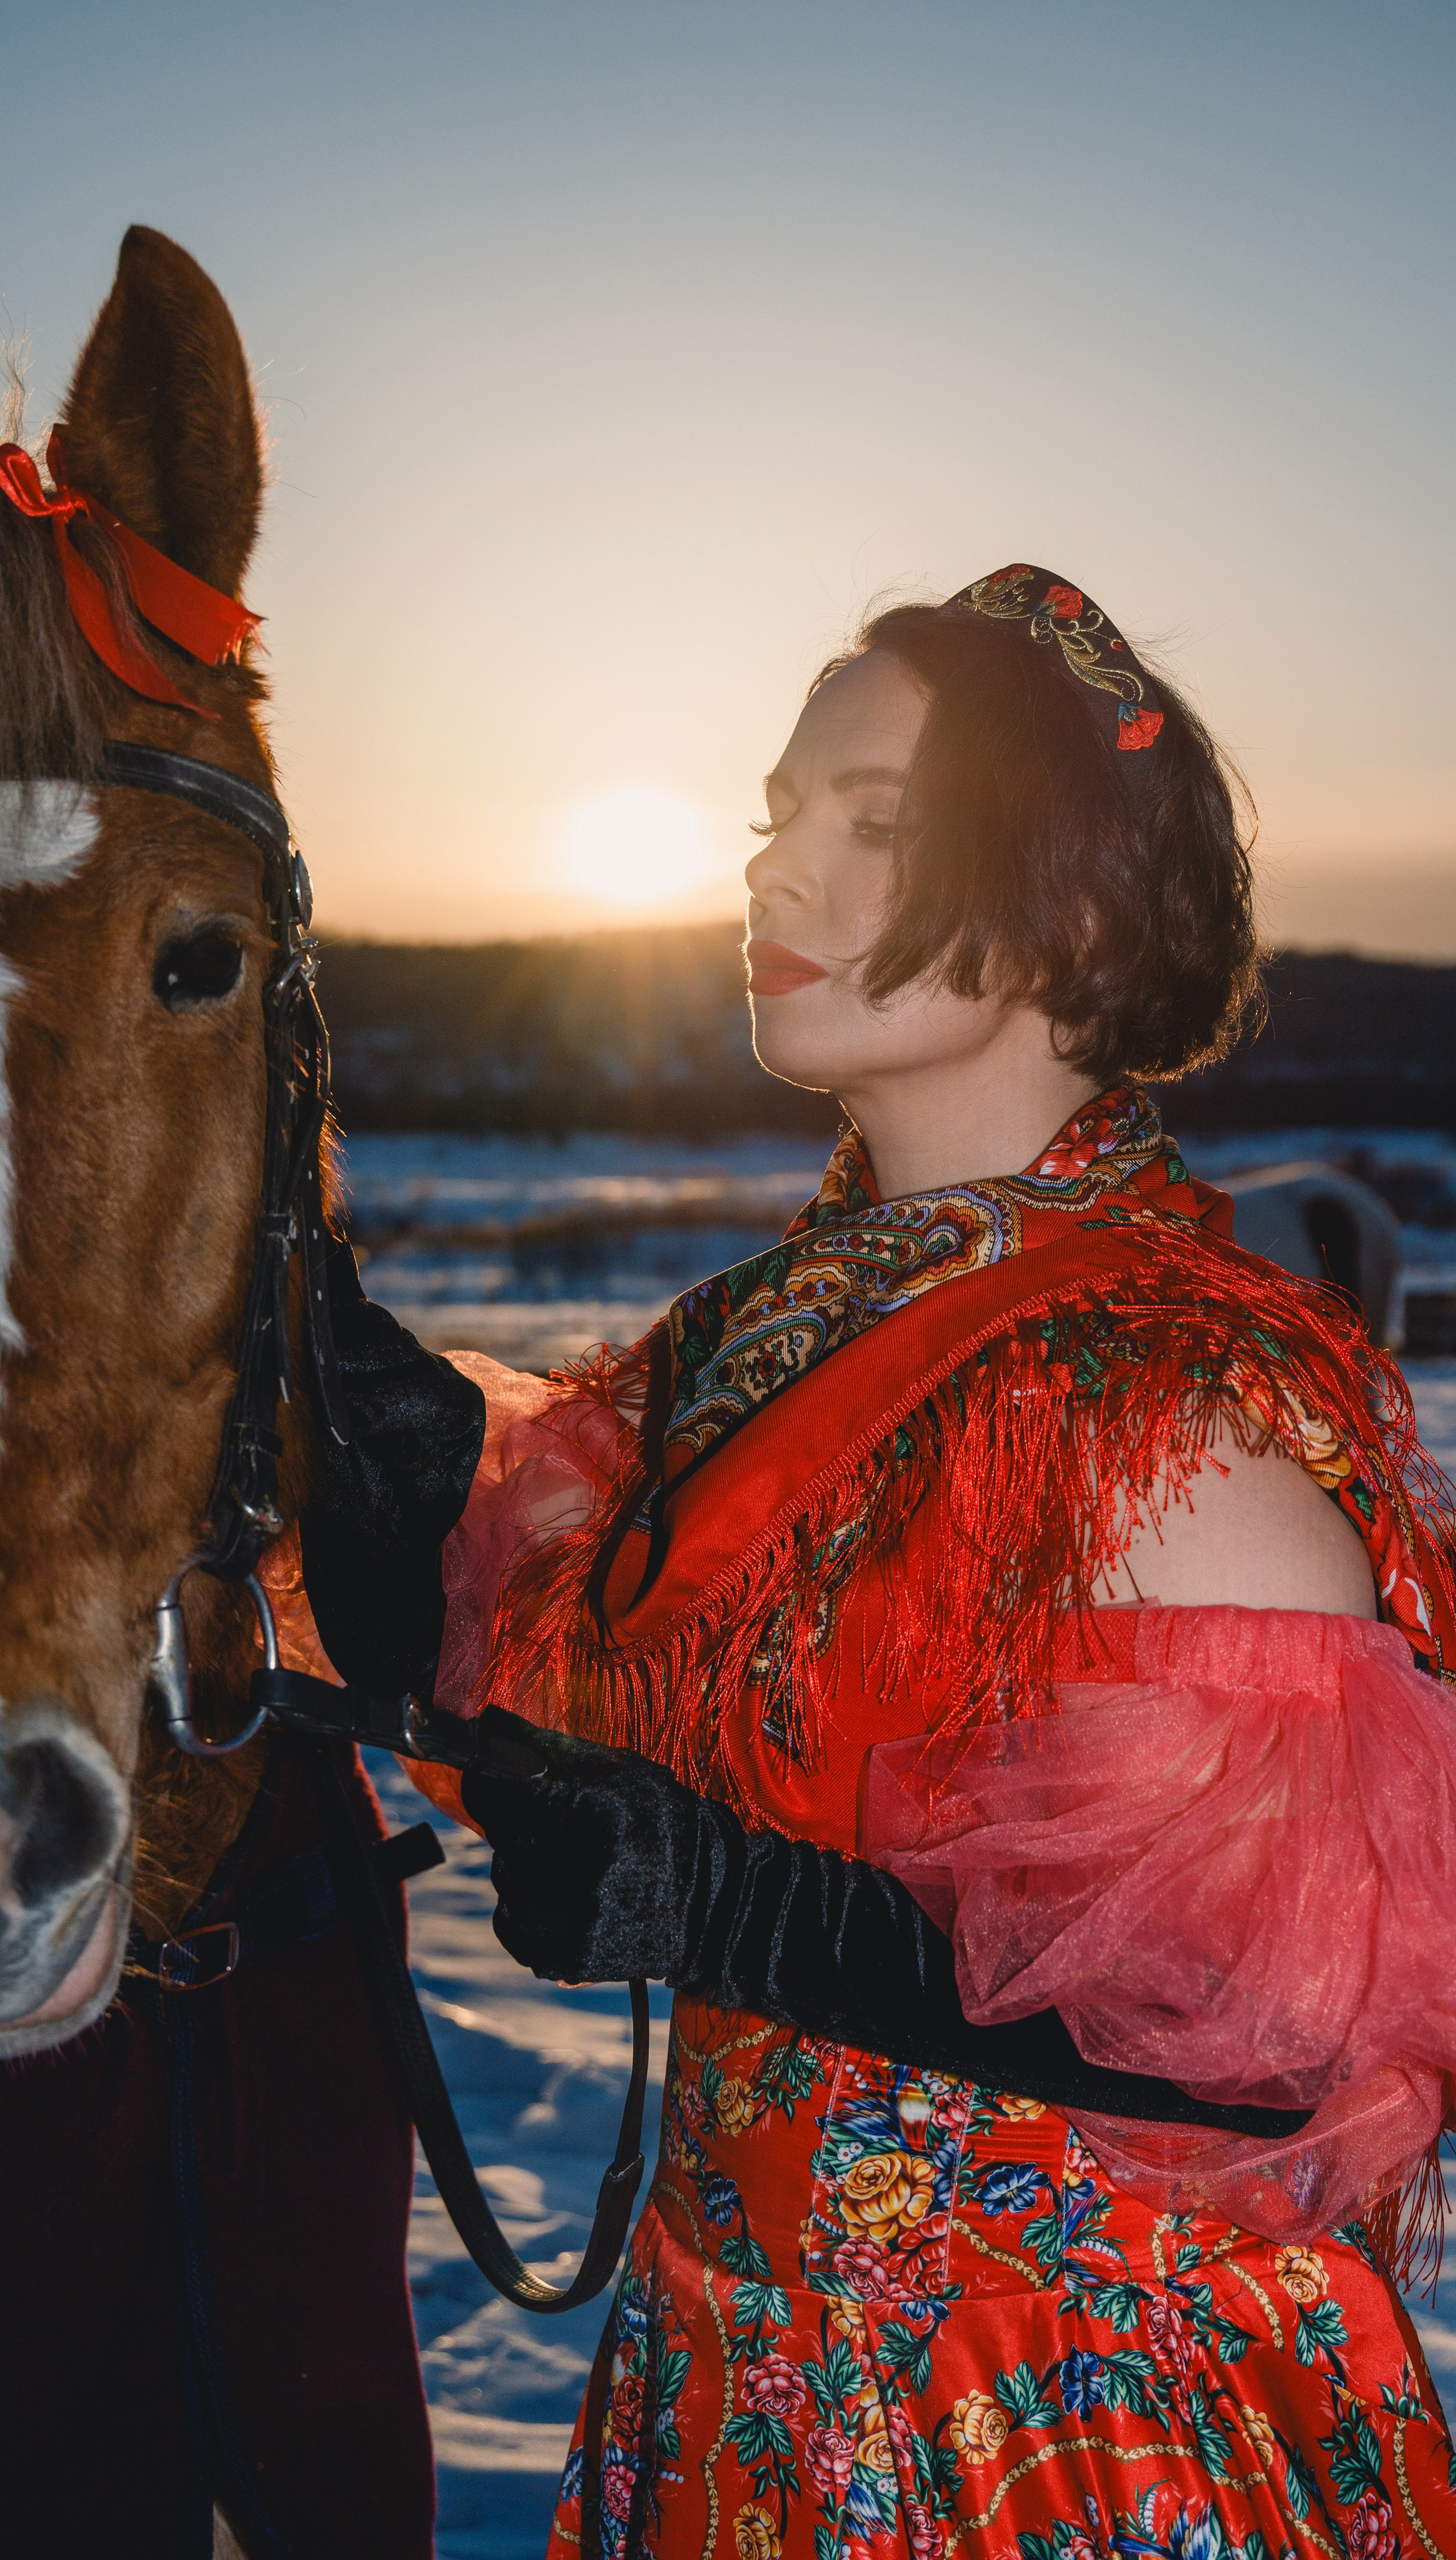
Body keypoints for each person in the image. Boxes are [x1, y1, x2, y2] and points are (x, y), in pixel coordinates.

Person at [299, 566, 1456, 2560]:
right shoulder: (747, 1341)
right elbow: (550, 1686)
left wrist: (746, 1914)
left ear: (1076, 912)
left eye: (871, 824)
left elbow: (1289, 2050)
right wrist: (337, 1407)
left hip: (1050, 2435)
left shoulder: (1163, 1402)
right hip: (729, 2399)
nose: (773, 870)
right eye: (774, 813)